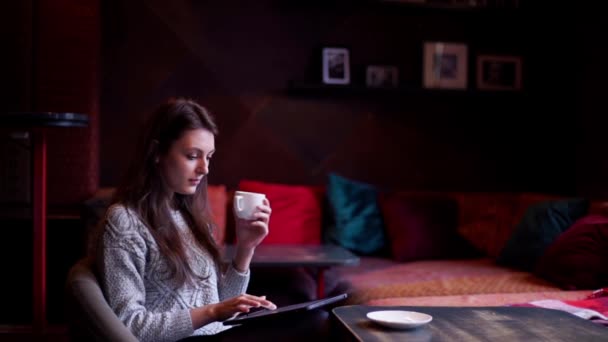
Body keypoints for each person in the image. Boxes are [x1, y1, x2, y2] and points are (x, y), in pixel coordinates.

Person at [91, 98, 277, 341]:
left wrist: (246, 247)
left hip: (221, 334)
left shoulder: (192, 219)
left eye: (208, 157)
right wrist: (212, 312)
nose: (204, 169)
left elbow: (222, 309)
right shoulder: (124, 222)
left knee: (315, 319)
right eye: (192, 156)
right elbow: (128, 324)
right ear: (157, 153)